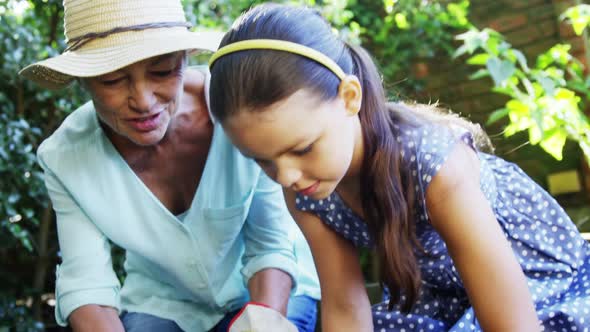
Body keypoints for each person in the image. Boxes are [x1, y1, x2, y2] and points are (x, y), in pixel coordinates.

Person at [208, 3, 590, 331]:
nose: (286, 176)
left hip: (531, 284)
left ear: (349, 97)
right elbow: (345, 307)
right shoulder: (305, 189)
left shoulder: (434, 164)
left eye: (304, 148)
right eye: (262, 160)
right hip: (440, 296)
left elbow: (511, 322)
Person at [19, 0, 320, 331]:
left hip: (273, 288)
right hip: (161, 304)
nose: (143, 101)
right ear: (84, 80)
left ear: (185, 59)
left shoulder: (240, 112)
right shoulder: (65, 157)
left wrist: (261, 322)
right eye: (113, 81)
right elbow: (87, 286)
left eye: (161, 72)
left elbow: (270, 246)